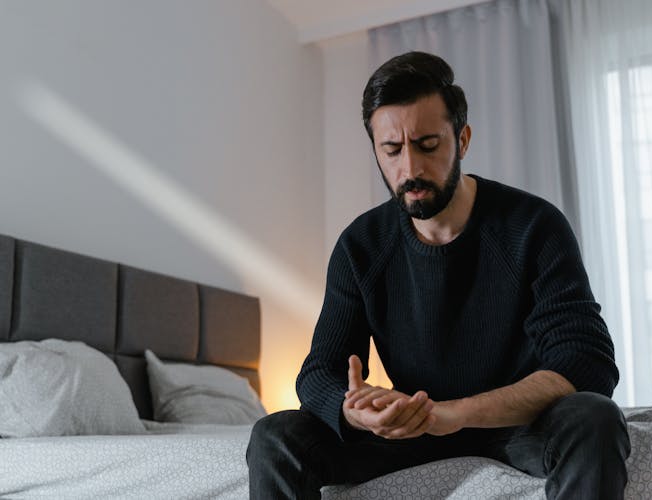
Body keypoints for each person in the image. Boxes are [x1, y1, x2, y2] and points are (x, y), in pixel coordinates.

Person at [246, 51, 630, 499]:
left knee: (593, 416)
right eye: (391, 150)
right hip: (412, 432)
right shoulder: (360, 245)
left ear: (462, 140)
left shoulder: (534, 226)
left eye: (428, 145)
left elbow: (586, 361)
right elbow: (318, 373)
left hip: (517, 427)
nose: (409, 170)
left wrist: (457, 413)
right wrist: (355, 411)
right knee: (276, 434)